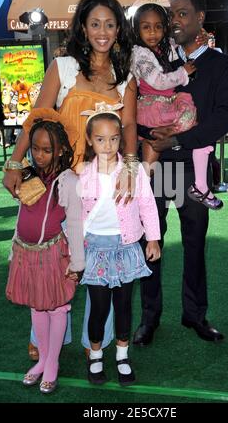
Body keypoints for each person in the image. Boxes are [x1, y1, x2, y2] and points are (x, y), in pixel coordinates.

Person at [2, 0, 138, 359]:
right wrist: (15, 163)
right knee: (47, 259)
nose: (103, 32)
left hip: (102, 189)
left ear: (119, 30)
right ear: (83, 27)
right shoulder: (62, 67)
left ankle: (97, 343)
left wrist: (129, 169)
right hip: (54, 183)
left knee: (102, 263)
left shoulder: (126, 78)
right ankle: (44, 334)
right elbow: (37, 118)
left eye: (110, 24)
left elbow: (128, 129)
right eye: (95, 24)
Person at [132, 0, 228, 346]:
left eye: (182, 14)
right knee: (151, 240)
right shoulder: (154, 59)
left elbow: (224, 117)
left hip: (192, 169)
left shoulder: (221, 64)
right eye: (170, 15)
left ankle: (195, 316)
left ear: (200, 18)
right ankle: (149, 318)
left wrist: (176, 139)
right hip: (155, 166)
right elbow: (137, 106)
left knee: (195, 244)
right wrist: (151, 136)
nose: (173, 21)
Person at [79, 106, 160, 386]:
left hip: (126, 247)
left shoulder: (134, 171)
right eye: (100, 139)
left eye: (114, 138)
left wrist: (152, 238)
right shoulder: (82, 173)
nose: (108, 145)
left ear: (121, 140)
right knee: (99, 308)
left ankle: (122, 356)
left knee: (124, 305)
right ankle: (96, 356)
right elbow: (73, 215)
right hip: (95, 249)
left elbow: (148, 205)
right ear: (89, 140)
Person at [5, 110, 85, 393]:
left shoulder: (68, 182)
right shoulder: (27, 176)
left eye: (47, 150)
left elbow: (75, 224)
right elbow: (20, 216)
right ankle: (41, 362)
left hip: (53, 254)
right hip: (26, 253)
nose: (39, 155)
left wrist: (77, 263)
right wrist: (14, 250)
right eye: (35, 149)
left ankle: (51, 363)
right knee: (37, 306)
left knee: (57, 306)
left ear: (60, 150)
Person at [131, 0, 222, 209]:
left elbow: (180, 45)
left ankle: (198, 183)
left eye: (158, 27)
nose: (153, 32)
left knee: (192, 122)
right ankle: (140, 189)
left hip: (165, 103)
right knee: (150, 157)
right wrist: (183, 72)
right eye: (146, 27)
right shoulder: (140, 54)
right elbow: (159, 81)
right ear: (137, 31)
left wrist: (200, 38)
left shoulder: (164, 47)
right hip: (152, 105)